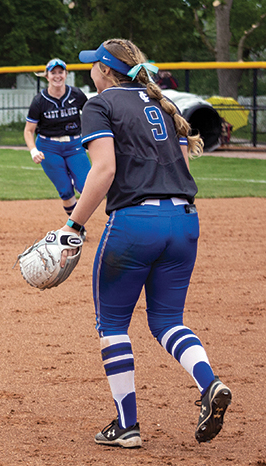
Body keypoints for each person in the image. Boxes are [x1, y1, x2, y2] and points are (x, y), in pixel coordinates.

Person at [71, 39, 231, 448]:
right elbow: (179, 162)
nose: (90, 70)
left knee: (112, 325)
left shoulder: (99, 103)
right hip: (184, 223)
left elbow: (104, 170)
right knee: (167, 322)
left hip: (135, 224)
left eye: (94, 65)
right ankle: (209, 383)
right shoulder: (164, 103)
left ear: (106, 71)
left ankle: (127, 426)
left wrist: (73, 225)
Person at [24, 58, 92, 233]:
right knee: (65, 190)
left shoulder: (76, 95)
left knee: (86, 187)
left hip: (74, 145)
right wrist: (33, 150)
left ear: (66, 74)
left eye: (60, 72)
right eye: (53, 72)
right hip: (49, 147)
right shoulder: (40, 101)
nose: (57, 76)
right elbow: (28, 130)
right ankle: (78, 228)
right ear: (47, 76)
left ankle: (80, 223)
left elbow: (92, 115)